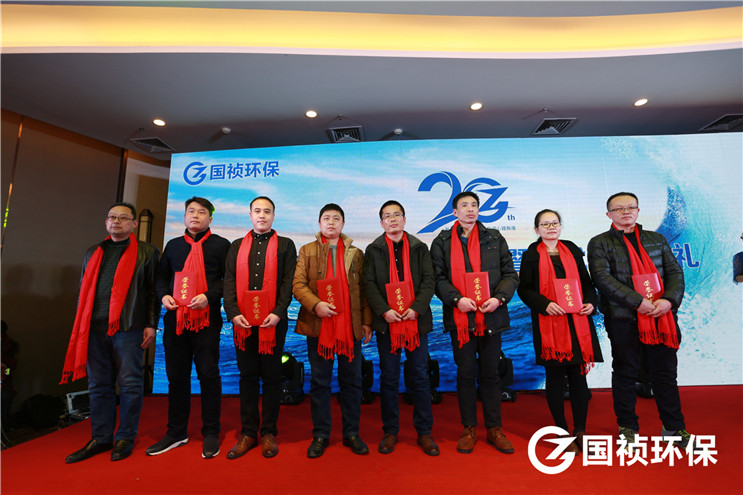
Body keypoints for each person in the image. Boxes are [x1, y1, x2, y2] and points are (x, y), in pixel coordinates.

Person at [587, 192, 691, 448]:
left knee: (665, 374)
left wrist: (669, 300)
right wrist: (638, 302)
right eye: (619, 209)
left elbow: (675, 272)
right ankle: (628, 426)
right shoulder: (599, 243)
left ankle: (674, 427)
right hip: (623, 319)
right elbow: (602, 279)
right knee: (626, 373)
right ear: (608, 214)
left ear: (638, 210)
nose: (626, 212)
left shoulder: (657, 239)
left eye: (631, 207)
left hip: (662, 317)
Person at [61, 202, 160, 463]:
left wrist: (151, 324)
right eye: (112, 217)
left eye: (123, 218)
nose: (116, 221)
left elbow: (152, 291)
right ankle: (101, 437)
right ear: (106, 222)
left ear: (134, 224)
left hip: (128, 327)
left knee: (129, 383)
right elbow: (83, 291)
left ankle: (125, 436)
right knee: (98, 385)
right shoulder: (93, 252)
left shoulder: (147, 252)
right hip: (93, 328)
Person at [430, 191, 519, 455]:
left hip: (491, 315)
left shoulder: (494, 237)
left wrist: (499, 299)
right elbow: (437, 278)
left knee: (491, 374)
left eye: (474, 205)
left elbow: (510, 274)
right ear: (454, 212)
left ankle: (494, 428)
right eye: (464, 205)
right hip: (461, 319)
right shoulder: (442, 241)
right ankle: (469, 428)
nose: (470, 209)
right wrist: (456, 299)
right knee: (466, 374)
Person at [147, 197, 230, 459]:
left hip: (207, 320)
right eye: (191, 211)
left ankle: (211, 432)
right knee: (177, 377)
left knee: (208, 375)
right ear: (184, 216)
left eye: (201, 212)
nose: (195, 215)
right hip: (175, 320)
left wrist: (209, 296)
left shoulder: (221, 245)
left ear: (210, 218)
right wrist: (164, 296)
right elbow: (161, 277)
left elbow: (229, 279)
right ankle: (176, 432)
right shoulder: (173, 245)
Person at [517, 209, 603, 452]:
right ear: (537, 229)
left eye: (554, 223)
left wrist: (591, 302)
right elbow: (524, 289)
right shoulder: (531, 255)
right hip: (550, 324)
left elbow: (586, 283)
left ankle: (580, 430)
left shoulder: (572, 250)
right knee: (555, 378)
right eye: (545, 224)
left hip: (577, 322)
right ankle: (562, 430)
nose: (551, 227)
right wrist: (544, 304)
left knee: (578, 378)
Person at [292, 203, 372, 458]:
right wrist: (316, 304)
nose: (331, 222)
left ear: (343, 224)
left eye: (336, 218)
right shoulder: (307, 250)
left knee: (353, 381)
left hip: (349, 326)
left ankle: (352, 433)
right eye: (326, 218)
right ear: (319, 223)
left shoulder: (356, 254)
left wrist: (366, 321)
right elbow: (298, 284)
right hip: (319, 326)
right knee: (320, 381)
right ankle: (320, 435)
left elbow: (363, 291)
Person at [362, 200, 439, 456]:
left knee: (420, 375)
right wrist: (384, 310)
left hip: (416, 322)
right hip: (388, 324)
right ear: (381, 222)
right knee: (389, 377)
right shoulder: (373, 250)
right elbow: (368, 284)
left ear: (404, 220)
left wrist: (417, 308)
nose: (393, 219)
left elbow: (429, 280)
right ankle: (390, 431)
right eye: (387, 216)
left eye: (397, 215)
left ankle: (424, 432)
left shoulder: (419, 247)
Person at [222, 196, 297, 459]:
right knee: (248, 377)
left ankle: (268, 433)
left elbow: (288, 282)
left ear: (274, 216)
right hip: (243, 323)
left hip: (272, 323)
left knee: (272, 377)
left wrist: (278, 312)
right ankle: (248, 433)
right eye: (257, 211)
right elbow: (229, 281)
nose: (262, 215)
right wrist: (233, 313)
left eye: (267, 211)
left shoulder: (286, 245)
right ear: (250, 215)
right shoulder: (236, 246)